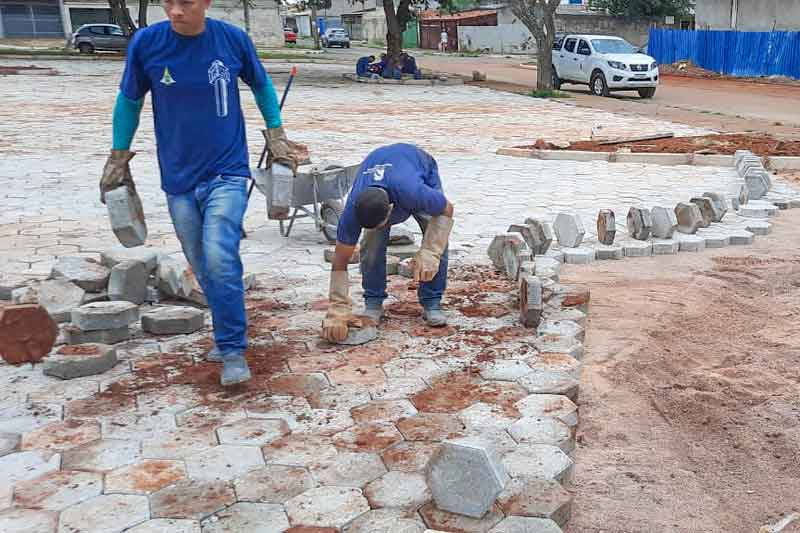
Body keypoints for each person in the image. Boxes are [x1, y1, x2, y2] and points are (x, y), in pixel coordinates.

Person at [99, 0, 305, 386]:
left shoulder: (231, 40)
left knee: (218, 253)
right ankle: (227, 326)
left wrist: (276, 134)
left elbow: (260, 84)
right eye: (169, 2)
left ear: (206, 2)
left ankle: (231, 348)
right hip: (178, 177)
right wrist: (117, 158)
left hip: (227, 170)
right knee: (201, 261)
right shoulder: (147, 44)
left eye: (187, 2)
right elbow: (128, 102)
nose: (176, 11)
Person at [321, 144, 455, 343]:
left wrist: (430, 251)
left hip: (416, 165)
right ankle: (373, 302)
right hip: (381, 163)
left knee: (434, 233)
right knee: (371, 244)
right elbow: (340, 261)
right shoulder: (351, 211)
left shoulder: (416, 192)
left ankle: (432, 302)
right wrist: (337, 309)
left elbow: (447, 210)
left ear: (391, 209)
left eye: (381, 224)